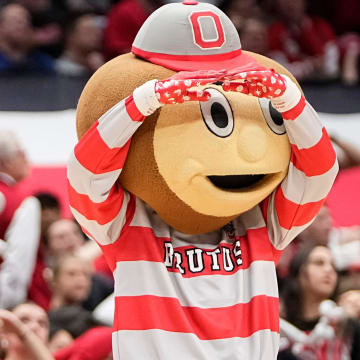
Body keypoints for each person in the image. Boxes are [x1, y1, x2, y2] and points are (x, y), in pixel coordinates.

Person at [69, 1, 338, 358]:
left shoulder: (264, 223)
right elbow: (86, 176)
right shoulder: (127, 226)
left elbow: (320, 172)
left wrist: (288, 100)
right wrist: (143, 102)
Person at [279, 242, 360, 359]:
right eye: (319, 263)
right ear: (299, 273)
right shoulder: (279, 326)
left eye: (333, 265)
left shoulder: (346, 325)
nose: (329, 270)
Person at [0, 130, 41, 309]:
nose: (27, 159)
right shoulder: (22, 202)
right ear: (6, 161)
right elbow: (19, 261)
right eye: (22, 153)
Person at [268, 0, 339, 82]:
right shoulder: (274, 31)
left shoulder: (321, 27)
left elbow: (332, 69)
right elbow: (280, 71)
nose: (290, 4)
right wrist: (311, 65)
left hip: (325, 87)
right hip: (291, 88)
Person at [0, 3, 54, 73]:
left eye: (25, 21)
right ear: (1, 27)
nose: (21, 25)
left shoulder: (43, 63)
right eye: (15, 21)